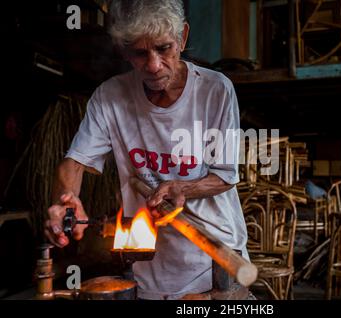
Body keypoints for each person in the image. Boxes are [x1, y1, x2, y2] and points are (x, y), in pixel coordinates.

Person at [45, 0, 248, 300]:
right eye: (140, 53)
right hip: (150, 267)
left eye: (163, 48)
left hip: (214, 259)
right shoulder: (110, 97)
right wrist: (67, 199)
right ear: (124, 51)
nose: (153, 65)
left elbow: (225, 176)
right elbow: (74, 163)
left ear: (182, 38)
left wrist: (182, 187)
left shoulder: (215, 90)